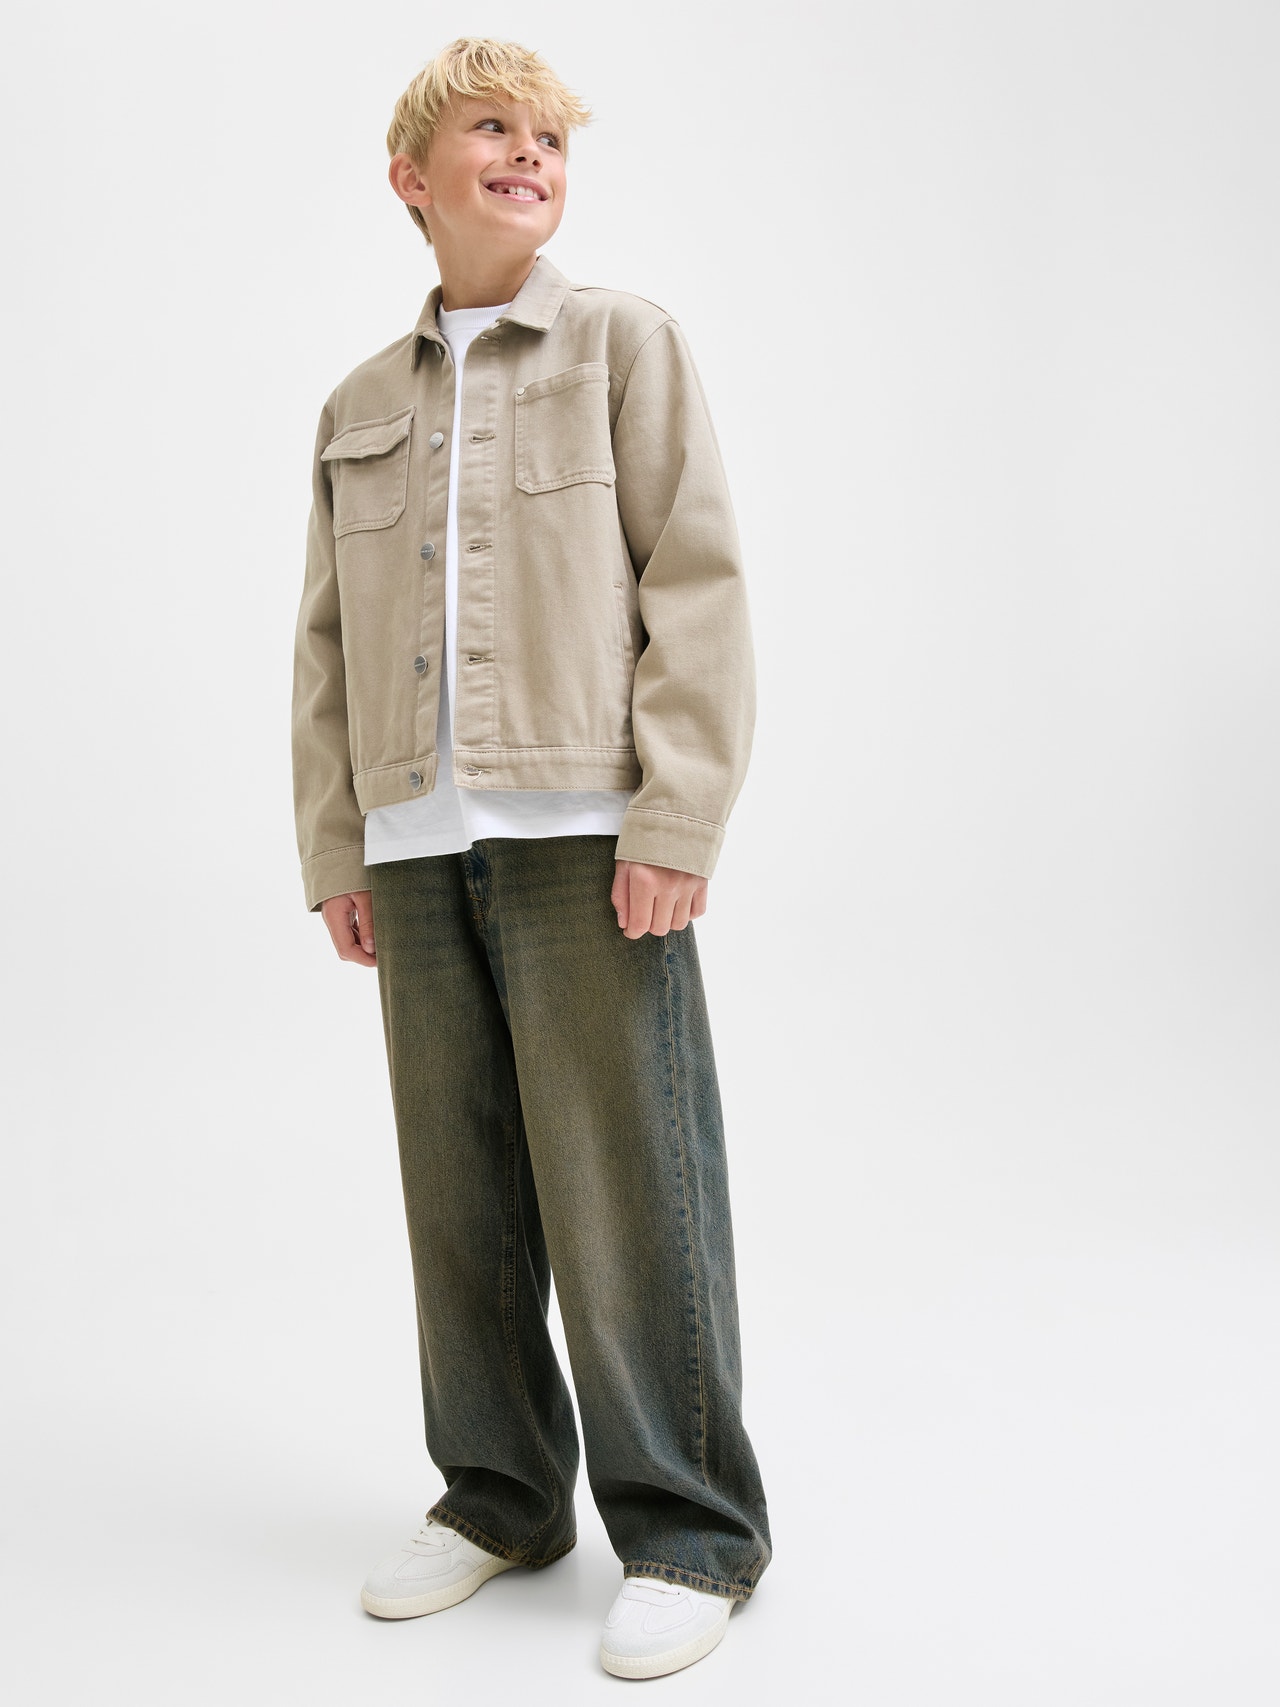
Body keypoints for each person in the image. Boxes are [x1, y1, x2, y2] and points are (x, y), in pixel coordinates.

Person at [290, 35, 771, 1682]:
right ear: (412, 178)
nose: (529, 154)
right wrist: (340, 843)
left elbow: (696, 585)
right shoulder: (361, 405)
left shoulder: (625, 346)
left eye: (552, 137)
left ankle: (692, 1530)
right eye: (493, 129)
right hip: (416, 846)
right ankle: (498, 1495)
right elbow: (324, 643)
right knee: (462, 1191)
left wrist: (677, 815)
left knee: (628, 1188)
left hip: (584, 836)